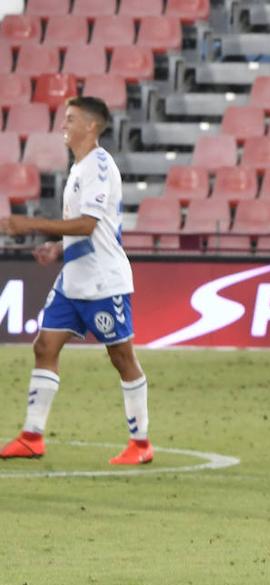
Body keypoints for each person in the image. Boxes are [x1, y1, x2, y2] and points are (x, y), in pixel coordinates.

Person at [0, 96, 152, 465]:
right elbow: (85, 230)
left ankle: (141, 444)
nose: (63, 125)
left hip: (104, 282)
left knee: (121, 357)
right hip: (73, 280)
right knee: (44, 347)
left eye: (70, 119)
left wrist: (31, 224)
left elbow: (89, 224)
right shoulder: (80, 167)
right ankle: (32, 436)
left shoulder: (99, 166)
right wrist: (57, 247)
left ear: (91, 126)